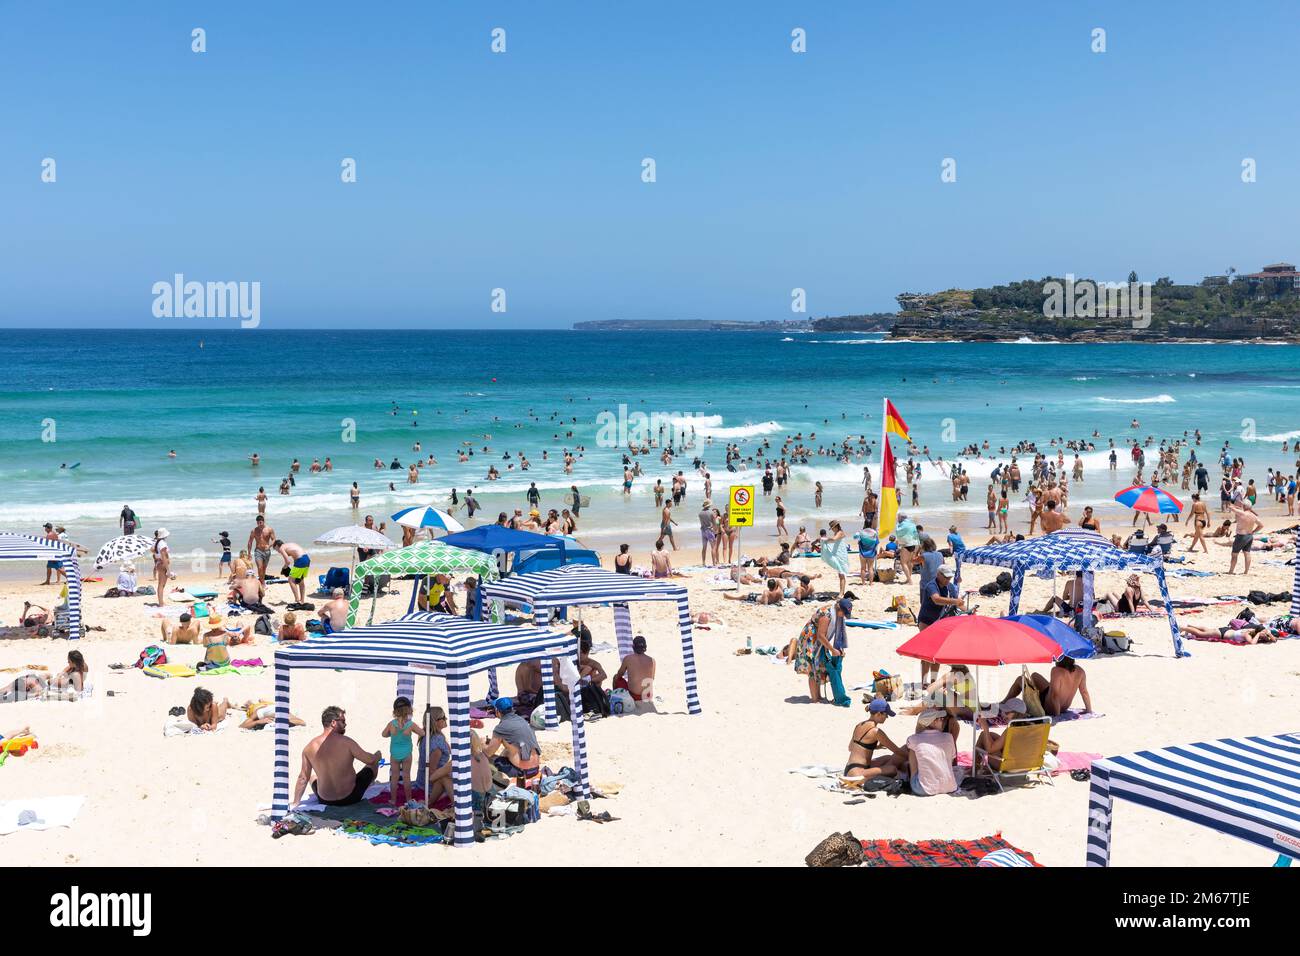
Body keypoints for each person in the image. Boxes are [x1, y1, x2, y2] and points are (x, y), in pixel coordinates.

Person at [293, 706, 381, 807]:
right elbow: (369, 760)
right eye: (343, 721)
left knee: (311, 776)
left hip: (325, 800)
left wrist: (296, 803)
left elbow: (302, 778)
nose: (345, 725)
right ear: (333, 723)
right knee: (373, 764)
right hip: (350, 797)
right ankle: (370, 784)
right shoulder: (347, 742)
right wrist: (377, 756)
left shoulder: (309, 748)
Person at [792, 599, 851, 707]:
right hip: (811, 639)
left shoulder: (835, 613)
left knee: (818, 667)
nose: (844, 616)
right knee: (812, 668)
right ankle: (815, 698)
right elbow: (821, 635)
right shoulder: (827, 615)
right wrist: (832, 650)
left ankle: (818, 696)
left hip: (818, 640)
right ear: (839, 609)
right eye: (844, 613)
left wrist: (838, 649)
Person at [916, 566, 962, 685]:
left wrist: (970, 611)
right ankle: (923, 682)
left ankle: (932, 682)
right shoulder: (931, 585)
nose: (948, 580)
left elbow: (958, 603)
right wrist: (954, 601)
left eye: (949, 577)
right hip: (926, 621)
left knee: (937, 654)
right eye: (946, 577)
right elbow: (936, 599)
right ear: (938, 574)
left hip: (940, 622)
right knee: (926, 653)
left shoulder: (950, 587)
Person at [842, 697, 908, 781]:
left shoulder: (859, 725)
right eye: (886, 714)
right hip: (857, 774)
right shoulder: (876, 731)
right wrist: (912, 757)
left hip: (850, 768)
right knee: (892, 769)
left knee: (887, 758)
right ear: (878, 714)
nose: (887, 717)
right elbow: (896, 751)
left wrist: (876, 747)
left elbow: (851, 747)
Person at [1002, 656, 1092, 717]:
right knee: (1034, 676)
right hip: (1065, 706)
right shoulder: (1080, 671)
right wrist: (1088, 710)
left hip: (1050, 706)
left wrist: (1057, 715)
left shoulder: (1056, 671)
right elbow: (1084, 692)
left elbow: (1054, 695)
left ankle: (1004, 702)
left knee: (1020, 679)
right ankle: (1033, 691)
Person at [481, 697, 541, 781]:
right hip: (535, 768)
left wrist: (482, 745)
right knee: (509, 749)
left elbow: (488, 753)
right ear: (512, 708)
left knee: (485, 759)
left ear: (497, 711)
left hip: (521, 771)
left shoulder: (501, 728)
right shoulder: (522, 721)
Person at [905, 710, 963, 796]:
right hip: (950, 787)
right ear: (934, 722)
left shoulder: (913, 739)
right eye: (940, 719)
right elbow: (951, 759)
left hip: (924, 789)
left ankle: (914, 776)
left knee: (913, 750)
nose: (943, 721)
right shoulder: (948, 737)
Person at [381, 696, 424, 804]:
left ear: (395, 711)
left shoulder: (392, 724)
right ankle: (409, 799)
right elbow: (422, 733)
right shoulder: (410, 725)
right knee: (406, 776)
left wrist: (392, 734)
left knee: (394, 777)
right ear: (409, 710)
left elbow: (384, 734)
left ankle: (393, 799)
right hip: (407, 754)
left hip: (394, 754)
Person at [975, 699, 1031, 770]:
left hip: (1009, 767)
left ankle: (975, 768)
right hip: (1028, 765)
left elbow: (989, 749)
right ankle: (975, 767)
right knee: (990, 735)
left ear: (1017, 714)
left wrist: (985, 728)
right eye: (1004, 712)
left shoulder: (1011, 730)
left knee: (984, 735)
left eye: (1007, 712)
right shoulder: (1031, 727)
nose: (1004, 715)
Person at [613, 635, 656, 707]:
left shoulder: (628, 658)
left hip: (633, 696)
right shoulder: (652, 660)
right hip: (647, 696)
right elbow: (652, 678)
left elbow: (619, 674)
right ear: (645, 647)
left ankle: (616, 699)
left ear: (633, 646)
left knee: (616, 678)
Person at [1227, 502, 1263, 575]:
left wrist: (1232, 506)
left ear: (1244, 506)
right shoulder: (1253, 516)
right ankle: (1246, 571)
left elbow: (1231, 508)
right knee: (1247, 553)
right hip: (1249, 536)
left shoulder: (1242, 513)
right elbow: (1261, 525)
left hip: (1241, 536)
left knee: (1234, 554)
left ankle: (1231, 571)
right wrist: (1253, 531)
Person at [819, 519, 849, 596]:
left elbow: (833, 540)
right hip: (837, 554)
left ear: (836, 526)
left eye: (832, 528)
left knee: (841, 573)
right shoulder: (837, 533)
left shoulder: (840, 533)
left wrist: (824, 539)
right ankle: (841, 592)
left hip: (841, 555)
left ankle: (841, 593)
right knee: (840, 573)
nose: (831, 529)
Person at [246, 515, 276, 582]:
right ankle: (262, 583)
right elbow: (250, 542)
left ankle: (262, 581)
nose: (259, 524)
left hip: (267, 551)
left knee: (264, 568)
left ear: (263, 521)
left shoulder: (269, 529)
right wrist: (249, 553)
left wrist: (270, 546)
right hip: (258, 551)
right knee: (260, 567)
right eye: (258, 523)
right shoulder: (254, 530)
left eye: (260, 522)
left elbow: (274, 539)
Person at [152, 528, 171, 605]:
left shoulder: (157, 542)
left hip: (159, 564)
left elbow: (152, 550)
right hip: (163, 564)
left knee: (161, 584)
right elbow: (164, 557)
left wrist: (157, 557)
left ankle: (161, 602)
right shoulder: (162, 543)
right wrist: (168, 569)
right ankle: (161, 603)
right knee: (161, 584)